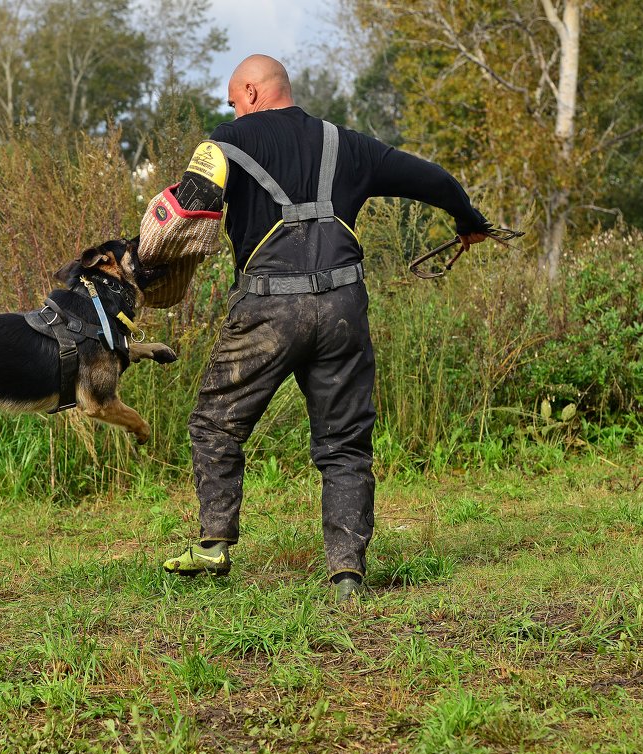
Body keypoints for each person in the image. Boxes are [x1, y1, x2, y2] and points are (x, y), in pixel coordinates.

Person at [161, 55, 490, 602]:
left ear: (252, 91)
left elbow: (187, 211)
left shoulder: (227, 141)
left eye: (232, 98)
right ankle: (346, 574)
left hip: (267, 312)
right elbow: (432, 178)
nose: (231, 109)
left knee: (215, 424)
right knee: (344, 444)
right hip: (342, 308)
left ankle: (214, 543)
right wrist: (468, 221)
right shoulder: (349, 144)